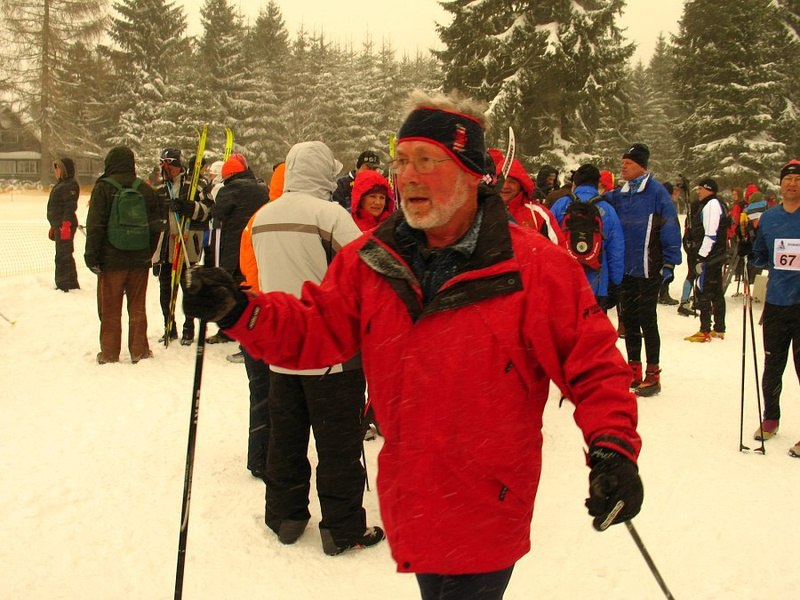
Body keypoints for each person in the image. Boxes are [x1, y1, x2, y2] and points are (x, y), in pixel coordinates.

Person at [183, 90, 643, 599]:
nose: (408, 176)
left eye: (427, 160)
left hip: (489, 503)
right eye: (402, 160)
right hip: (415, 497)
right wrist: (241, 310)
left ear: (471, 173)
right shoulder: (371, 260)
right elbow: (314, 330)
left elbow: (593, 366)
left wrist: (613, 448)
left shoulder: (536, 268)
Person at [234, 140, 380, 556]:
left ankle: (285, 516)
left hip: (281, 348)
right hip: (332, 353)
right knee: (338, 446)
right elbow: (367, 266)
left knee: (285, 441)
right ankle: (342, 528)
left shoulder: (263, 217)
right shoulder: (329, 215)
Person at [605, 143, 682, 397]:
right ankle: (633, 369)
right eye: (622, 162)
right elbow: (601, 204)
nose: (623, 166)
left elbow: (670, 226)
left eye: (628, 163)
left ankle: (653, 373)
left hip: (649, 267)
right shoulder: (620, 193)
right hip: (626, 268)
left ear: (641, 166)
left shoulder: (657, 193)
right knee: (628, 320)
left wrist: (670, 262)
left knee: (648, 320)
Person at [740, 160, 800, 457]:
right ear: (780, 184)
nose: (793, 184)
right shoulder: (770, 218)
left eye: (798, 180)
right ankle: (771, 417)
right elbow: (761, 257)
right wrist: (747, 249)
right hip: (777, 302)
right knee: (772, 365)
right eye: (788, 179)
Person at [84, 146, 160, 364]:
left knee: (110, 308)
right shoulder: (145, 189)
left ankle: (109, 353)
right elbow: (156, 225)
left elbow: (95, 225)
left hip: (111, 260)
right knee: (137, 306)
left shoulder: (103, 188)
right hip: (139, 259)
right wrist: (148, 252)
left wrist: (92, 256)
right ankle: (139, 350)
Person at [206, 154, 268, 345]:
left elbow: (216, 214)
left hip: (234, 246)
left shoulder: (230, 190)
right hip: (257, 244)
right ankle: (254, 325)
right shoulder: (262, 188)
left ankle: (231, 330)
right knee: (252, 286)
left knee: (232, 289)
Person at [152, 148, 212, 345]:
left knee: (189, 289)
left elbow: (209, 210)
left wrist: (190, 207)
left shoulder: (195, 184)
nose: (165, 169)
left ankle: (189, 328)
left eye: (168, 165)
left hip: (187, 244)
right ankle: (169, 327)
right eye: (162, 165)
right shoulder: (160, 188)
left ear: (178, 166)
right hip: (166, 246)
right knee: (165, 290)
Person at [550, 164, 624, 310]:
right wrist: (615, 283)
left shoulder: (561, 205)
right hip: (597, 283)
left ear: (575, 182)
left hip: (564, 282)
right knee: (593, 324)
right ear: (597, 183)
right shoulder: (607, 209)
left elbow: (546, 240)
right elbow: (616, 249)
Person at [487, 148, 564, 245]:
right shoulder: (484, 210)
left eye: (512, 182)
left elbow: (559, 248)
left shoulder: (538, 214)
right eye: (501, 181)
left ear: (521, 185)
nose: (505, 186)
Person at [683, 178, 727, 342]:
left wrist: (701, 257)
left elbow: (710, 234)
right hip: (716, 255)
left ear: (708, 189)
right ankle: (719, 328)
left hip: (710, 257)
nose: (698, 192)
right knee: (716, 292)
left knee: (703, 291)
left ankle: (705, 329)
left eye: (700, 189)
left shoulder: (711, 205)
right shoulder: (715, 203)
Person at [47, 157, 80, 292]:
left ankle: (63, 284)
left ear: (64, 170)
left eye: (58, 168)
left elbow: (69, 207)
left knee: (62, 255)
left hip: (65, 225)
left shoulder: (70, 185)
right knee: (64, 253)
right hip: (59, 225)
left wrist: (65, 225)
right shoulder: (61, 184)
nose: (55, 171)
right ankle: (71, 283)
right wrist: (53, 225)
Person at [656, 182, 681, 306]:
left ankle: (660, 293)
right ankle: (663, 294)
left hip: (657, 244)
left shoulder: (657, 204)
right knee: (667, 268)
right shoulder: (667, 207)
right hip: (664, 244)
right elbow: (671, 229)